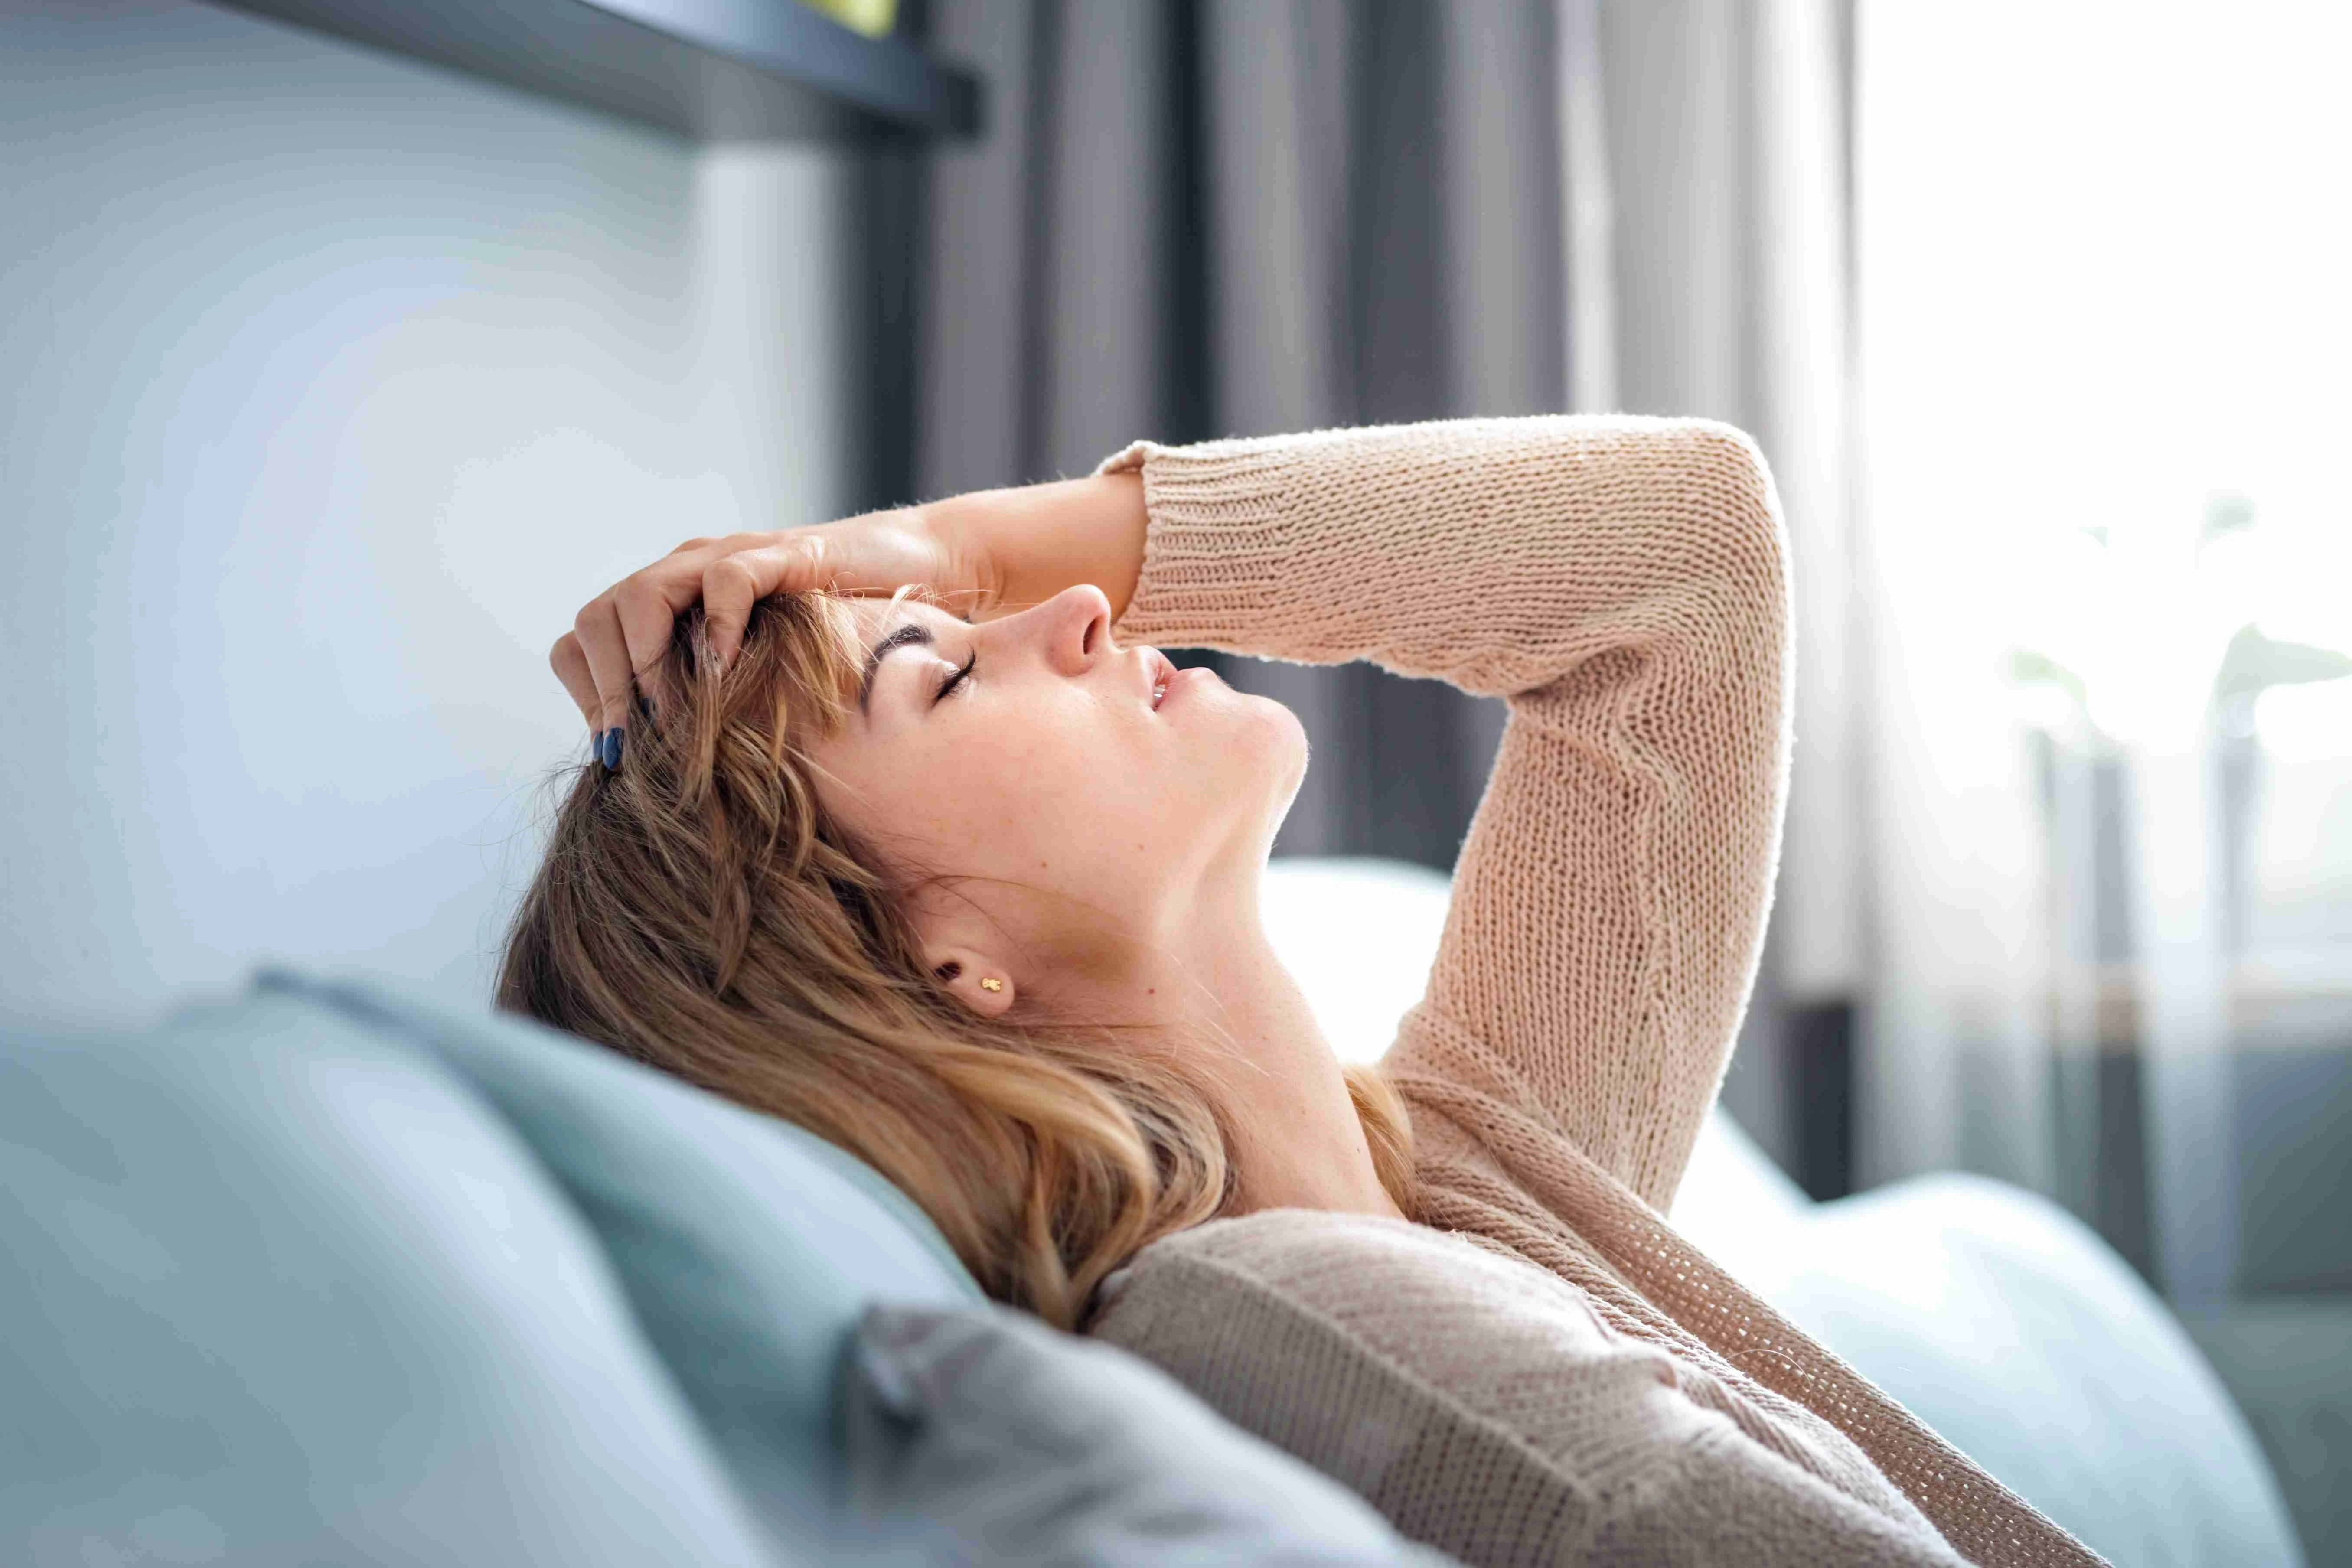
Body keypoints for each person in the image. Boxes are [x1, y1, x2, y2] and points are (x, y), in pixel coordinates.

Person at [508, 417, 2095, 1568]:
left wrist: (955, 548)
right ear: (934, 964)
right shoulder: (1272, 1322)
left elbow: (1682, 558)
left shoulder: (1474, 1178)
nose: (1080, 610)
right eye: (943, 669)